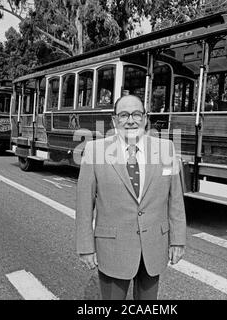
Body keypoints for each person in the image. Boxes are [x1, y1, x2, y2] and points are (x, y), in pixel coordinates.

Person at [76, 94, 187, 300]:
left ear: (145, 119)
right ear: (114, 120)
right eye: (124, 115)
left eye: (136, 114)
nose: (130, 120)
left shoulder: (166, 149)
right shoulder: (94, 150)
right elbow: (84, 204)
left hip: (154, 247)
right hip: (112, 249)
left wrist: (178, 241)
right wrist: (85, 247)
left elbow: (175, 200)